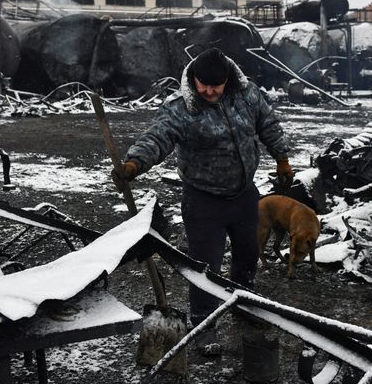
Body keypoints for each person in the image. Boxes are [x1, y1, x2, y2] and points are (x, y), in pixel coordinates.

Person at [111, 47, 293, 347]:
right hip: (204, 200)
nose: (209, 91)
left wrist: (282, 158)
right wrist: (134, 164)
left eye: (216, 85)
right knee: (204, 266)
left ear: (228, 80)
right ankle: (204, 324)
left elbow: (268, 125)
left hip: (245, 195)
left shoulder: (247, 95)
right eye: (202, 84)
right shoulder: (180, 108)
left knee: (248, 254)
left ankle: (243, 300)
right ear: (193, 79)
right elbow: (159, 137)